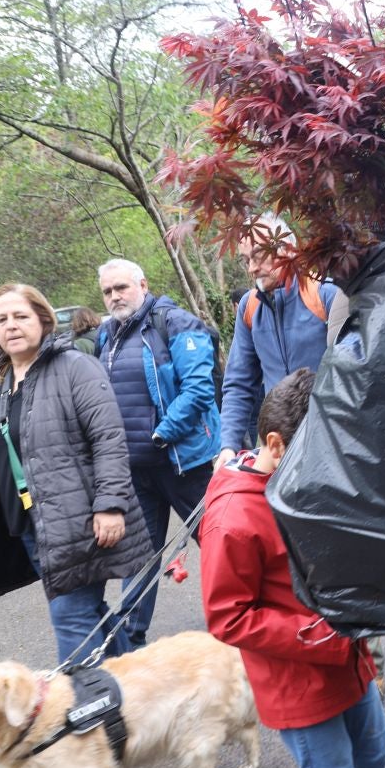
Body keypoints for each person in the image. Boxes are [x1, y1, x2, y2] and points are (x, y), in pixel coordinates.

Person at [201, 368, 385, 768]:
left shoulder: (303, 481)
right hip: (300, 682)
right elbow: (227, 617)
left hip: (351, 662)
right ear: (275, 444)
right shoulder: (233, 519)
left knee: (382, 767)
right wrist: (324, 635)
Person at [0, 283, 148, 664]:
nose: (11, 325)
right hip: (28, 525)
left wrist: (110, 505)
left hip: (82, 522)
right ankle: (142, 680)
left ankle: (88, 713)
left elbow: (108, 439)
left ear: (43, 320)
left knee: (70, 617)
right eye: (1, 319)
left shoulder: (75, 367)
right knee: (85, 614)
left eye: (20, 316)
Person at [95, 258, 221, 649]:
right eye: (108, 291)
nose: (115, 296)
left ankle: (248, 625)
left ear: (142, 284)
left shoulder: (176, 323)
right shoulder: (107, 334)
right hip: (136, 471)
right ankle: (130, 646)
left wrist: (162, 436)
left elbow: (199, 390)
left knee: (221, 549)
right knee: (140, 562)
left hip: (185, 465)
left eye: (121, 287)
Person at [215, 215, 343, 469]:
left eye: (258, 256)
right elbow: (239, 383)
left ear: (288, 249)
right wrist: (228, 446)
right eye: (246, 260)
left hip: (331, 440)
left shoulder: (324, 294)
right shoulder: (249, 308)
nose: (251, 268)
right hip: (280, 449)